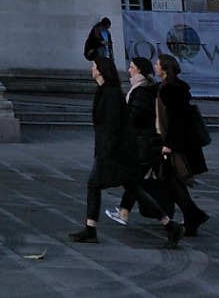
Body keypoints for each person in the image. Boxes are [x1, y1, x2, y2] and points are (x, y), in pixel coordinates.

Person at [72, 58, 178, 246]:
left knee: (95, 185)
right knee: (132, 189)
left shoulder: (111, 93)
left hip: (116, 150)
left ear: (101, 70)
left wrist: (109, 150)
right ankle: (170, 226)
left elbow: (114, 125)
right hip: (112, 148)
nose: (92, 69)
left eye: (94, 66)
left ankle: (91, 229)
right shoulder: (104, 90)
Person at [155, 55, 211, 236]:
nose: (155, 67)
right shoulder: (174, 87)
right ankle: (192, 216)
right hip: (180, 141)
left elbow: (175, 119)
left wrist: (169, 144)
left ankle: (193, 214)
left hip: (175, 144)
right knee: (172, 180)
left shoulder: (169, 89)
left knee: (171, 179)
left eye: (157, 64)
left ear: (164, 69)